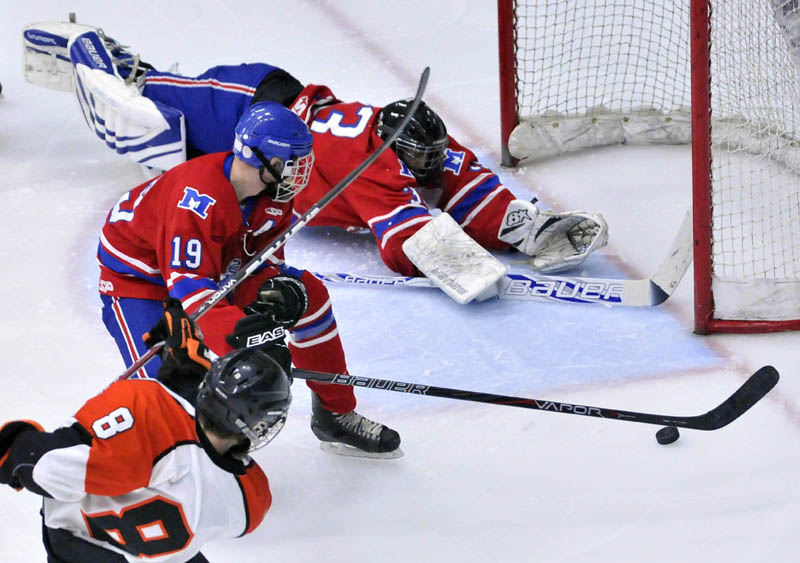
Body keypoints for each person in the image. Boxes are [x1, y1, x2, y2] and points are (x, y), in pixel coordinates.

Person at [23, 21, 609, 297]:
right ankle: (79, 45)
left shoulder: (413, 136)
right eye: (420, 163)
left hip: (269, 132)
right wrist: (460, 266)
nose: (433, 167)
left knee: (152, 129)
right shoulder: (376, 163)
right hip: (243, 109)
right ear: (394, 153)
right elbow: (405, 239)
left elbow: (464, 179)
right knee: (135, 117)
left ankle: (126, 70)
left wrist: (531, 230)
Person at [69, 26, 400, 458]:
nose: (301, 174)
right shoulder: (199, 201)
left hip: (211, 268)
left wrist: (276, 293)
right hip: (139, 275)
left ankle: (335, 415)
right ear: (257, 157)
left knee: (310, 295)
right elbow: (193, 295)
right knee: (161, 389)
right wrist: (244, 342)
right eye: (291, 164)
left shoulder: (273, 196)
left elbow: (258, 263)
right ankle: (162, 460)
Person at [0, 299, 291, 563]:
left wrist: (13, 444)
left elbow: (44, 468)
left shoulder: (140, 407)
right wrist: (186, 374)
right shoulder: (251, 500)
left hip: (81, 546)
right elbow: (189, 454)